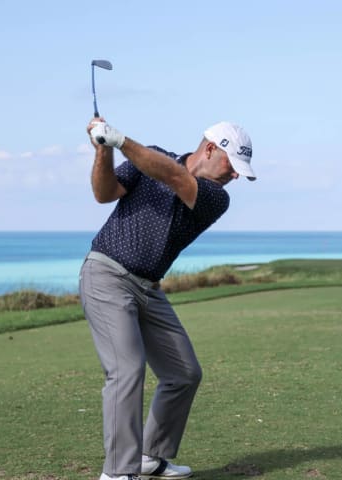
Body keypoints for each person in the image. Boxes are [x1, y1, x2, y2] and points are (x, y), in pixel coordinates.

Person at [79, 118, 256, 480]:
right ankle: (116, 473)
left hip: (148, 288)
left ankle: (150, 456)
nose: (235, 176)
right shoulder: (151, 157)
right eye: (232, 165)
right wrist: (103, 150)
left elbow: (175, 178)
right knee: (126, 370)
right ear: (210, 149)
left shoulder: (215, 198)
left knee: (184, 373)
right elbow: (104, 192)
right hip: (106, 276)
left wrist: (120, 139)